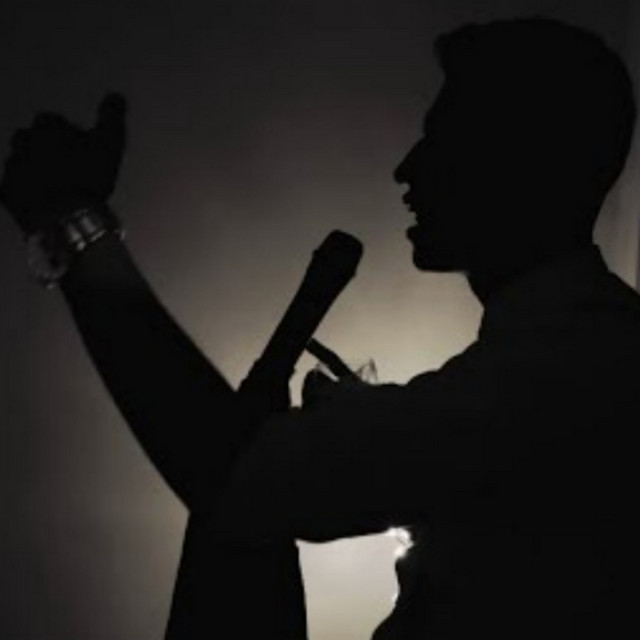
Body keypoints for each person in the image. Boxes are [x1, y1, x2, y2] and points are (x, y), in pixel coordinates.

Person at [1, 15, 638, 640]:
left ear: (519, 162)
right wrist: (364, 417)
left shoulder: (579, 367)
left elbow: (238, 481)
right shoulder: (566, 354)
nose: (407, 169)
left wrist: (75, 225)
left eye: (442, 140)